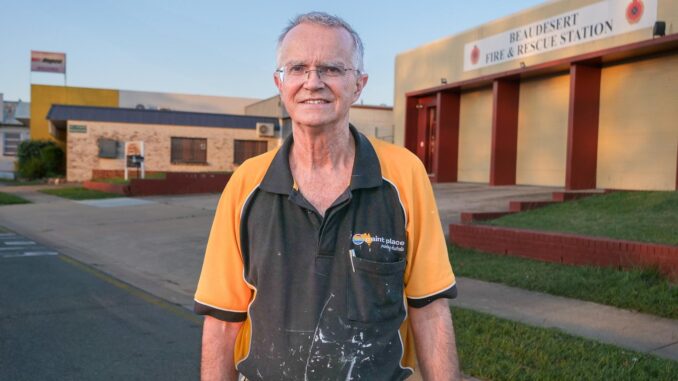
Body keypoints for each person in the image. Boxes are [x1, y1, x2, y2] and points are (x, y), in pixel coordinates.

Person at [194, 12, 460, 381]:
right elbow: (222, 322)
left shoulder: (404, 175)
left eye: (332, 69)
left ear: (359, 84)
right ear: (280, 83)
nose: (312, 82)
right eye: (298, 68)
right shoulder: (246, 184)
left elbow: (430, 309)